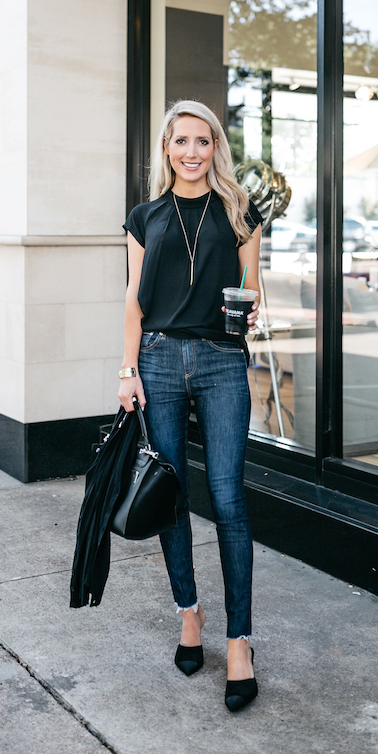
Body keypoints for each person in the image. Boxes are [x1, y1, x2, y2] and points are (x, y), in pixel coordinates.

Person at [119, 99, 263, 713]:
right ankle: (189, 614)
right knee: (169, 493)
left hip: (222, 362)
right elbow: (134, 300)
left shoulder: (240, 213)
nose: (192, 152)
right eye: (181, 141)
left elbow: (253, 293)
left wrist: (253, 310)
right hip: (157, 360)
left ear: (215, 148)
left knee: (228, 499)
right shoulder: (144, 216)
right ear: (166, 149)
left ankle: (239, 641)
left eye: (202, 141)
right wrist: (128, 371)